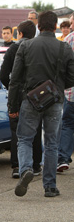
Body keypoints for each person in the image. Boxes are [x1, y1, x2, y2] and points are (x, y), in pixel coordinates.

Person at [8, 11, 74, 198]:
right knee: (52, 143)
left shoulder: (26, 46)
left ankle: (26, 169)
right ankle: (50, 187)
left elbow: (15, 79)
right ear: (55, 27)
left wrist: (12, 106)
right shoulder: (64, 47)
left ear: (38, 26)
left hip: (30, 99)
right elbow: (72, 77)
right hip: (54, 101)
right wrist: (57, 88)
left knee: (25, 139)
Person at [0, 20, 42, 178]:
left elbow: (3, 74)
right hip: (37, 95)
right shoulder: (38, 48)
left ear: (21, 34)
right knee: (36, 130)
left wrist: (11, 87)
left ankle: (17, 165)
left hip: (17, 94)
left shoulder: (14, 48)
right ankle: (36, 164)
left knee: (17, 131)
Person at [57, 13, 74, 172]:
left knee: (68, 125)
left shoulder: (68, 40)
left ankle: (62, 158)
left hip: (71, 92)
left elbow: (61, 65)